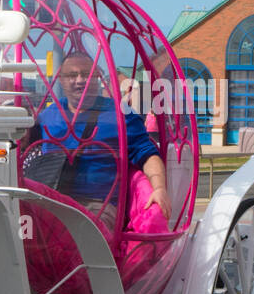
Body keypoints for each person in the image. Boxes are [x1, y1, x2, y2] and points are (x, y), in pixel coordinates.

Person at [25, 53, 169, 223]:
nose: (80, 80)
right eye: (72, 75)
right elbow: (24, 147)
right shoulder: (49, 114)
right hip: (52, 203)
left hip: (96, 205)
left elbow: (148, 155)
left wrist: (160, 188)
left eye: (87, 75)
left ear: (97, 79)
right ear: (61, 80)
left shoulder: (121, 114)